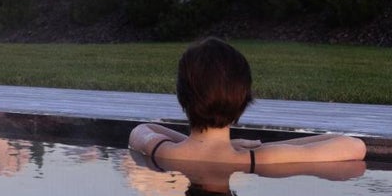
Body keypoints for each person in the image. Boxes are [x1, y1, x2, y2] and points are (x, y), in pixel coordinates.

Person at [129, 37, 367, 167]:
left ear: (182, 96)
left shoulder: (162, 153)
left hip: (186, 150)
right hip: (250, 157)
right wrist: (258, 148)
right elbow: (354, 146)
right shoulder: (259, 160)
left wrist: (205, 147)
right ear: (244, 99)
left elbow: (142, 130)